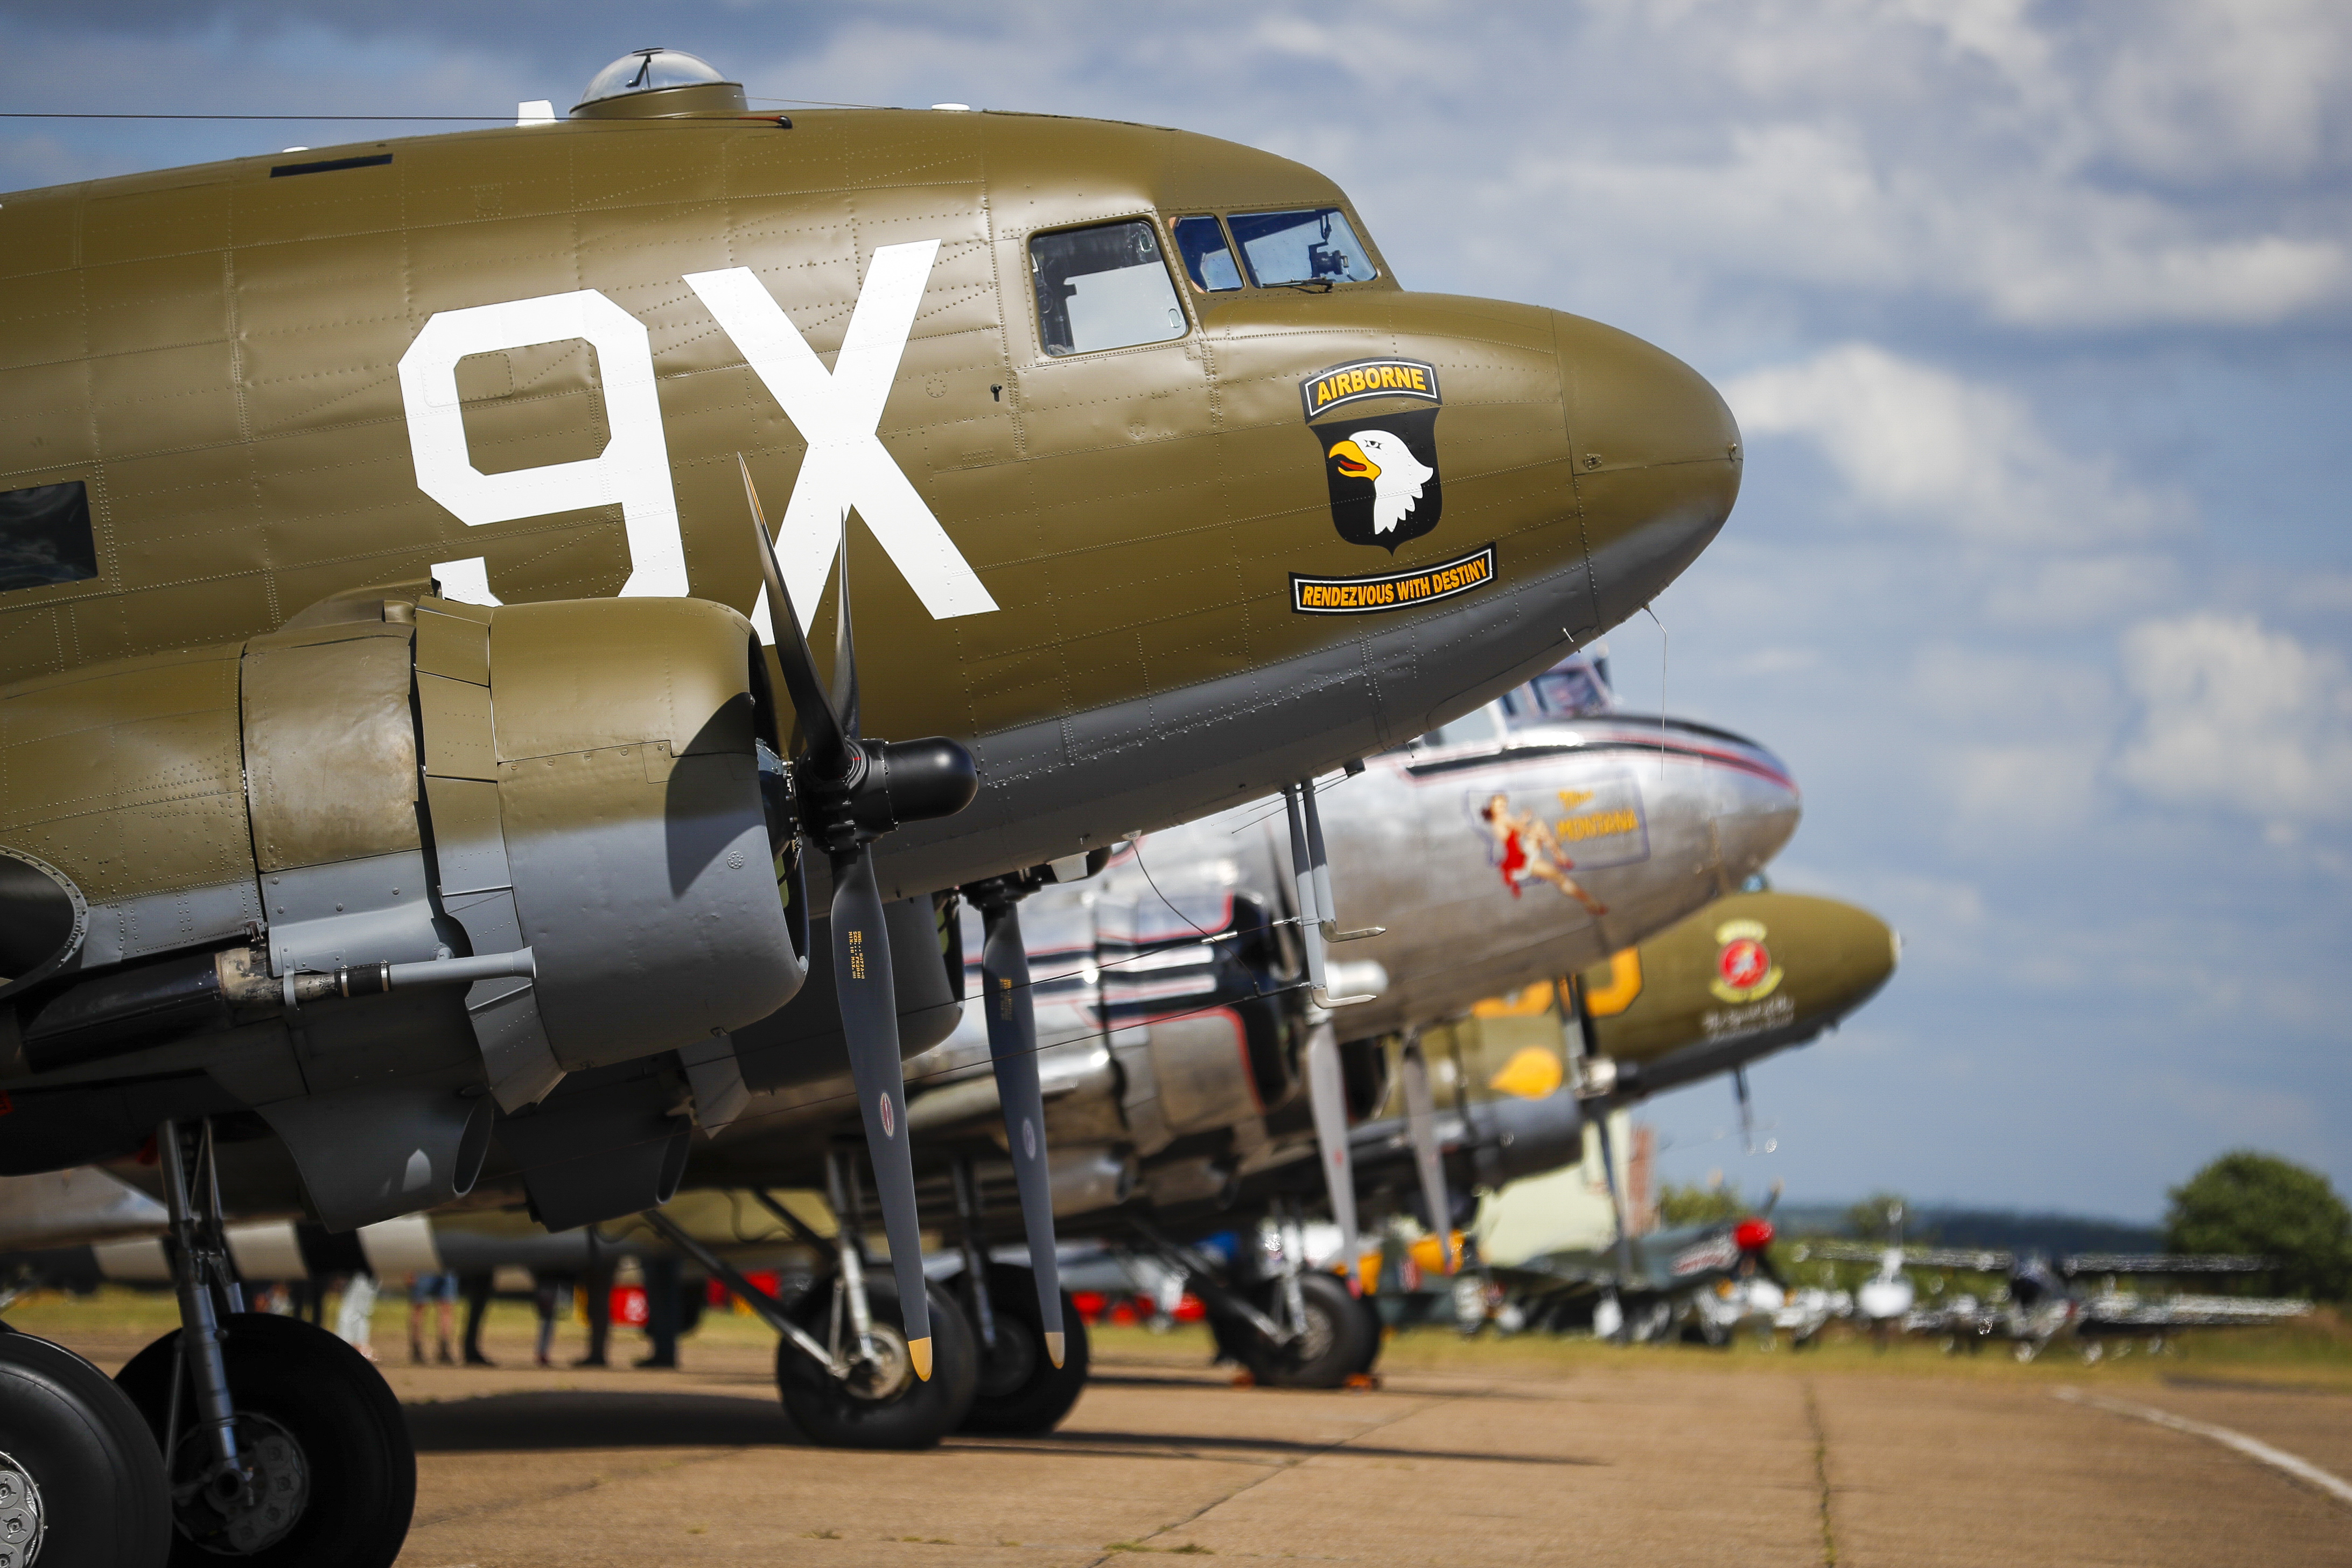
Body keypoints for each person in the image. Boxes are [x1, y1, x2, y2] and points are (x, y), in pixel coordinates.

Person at [1478, 793, 1607, 915]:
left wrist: (1526, 823)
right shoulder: (1503, 819)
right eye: (1500, 806)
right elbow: (1525, 831)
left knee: (1540, 825)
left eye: (1505, 805)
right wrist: (1544, 837)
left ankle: (1559, 856)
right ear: (1492, 808)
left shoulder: (1499, 821)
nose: (1503, 808)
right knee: (1560, 879)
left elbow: (1516, 832)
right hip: (1522, 862)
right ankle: (1591, 903)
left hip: (1524, 854)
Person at [408, 1271, 459, 1364]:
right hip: (423, 1267)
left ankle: (444, 1348)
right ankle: (417, 1349)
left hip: (446, 1270)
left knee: (447, 1308)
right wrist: (409, 1271)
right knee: (419, 1308)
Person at [333, 1271, 380, 1361]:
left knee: (353, 1310)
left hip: (363, 1275)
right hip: (364, 1275)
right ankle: (356, 1346)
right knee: (357, 1311)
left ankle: (353, 1347)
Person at [460, 1272, 497, 1366]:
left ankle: (471, 1350)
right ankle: (470, 1351)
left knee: (476, 1308)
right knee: (477, 1305)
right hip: (479, 1273)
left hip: (480, 1273)